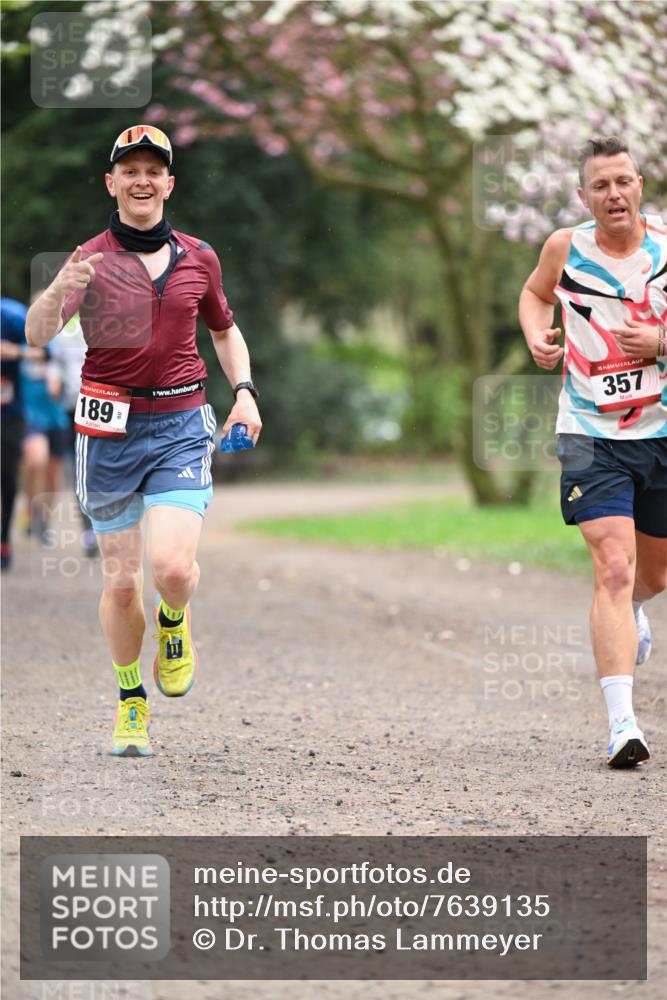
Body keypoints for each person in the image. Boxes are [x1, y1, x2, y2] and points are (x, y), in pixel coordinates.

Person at [26, 124, 262, 757]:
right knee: (124, 583)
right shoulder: (89, 259)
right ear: (112, 183)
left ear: (169, 184)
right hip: (108, 432)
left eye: (153, 170)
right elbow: (37, 334)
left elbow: (224, 330)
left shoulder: (199, 257)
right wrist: (59, 288)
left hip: (181, 424)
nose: (142, 180)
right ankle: (131, 700)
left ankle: (174, 621)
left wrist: (244, 393)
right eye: (129, 170)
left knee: (174, 569)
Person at [519, 135, 666, 769]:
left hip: (661, 432)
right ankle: (622, 725)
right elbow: (534, 293)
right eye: (600, 185)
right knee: (612, 566)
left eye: (623, 181)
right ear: (584, 197)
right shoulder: (565, 248)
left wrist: (660, 345)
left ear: (640, 186)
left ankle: (633, 609)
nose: (614, 194)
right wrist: (536, 334)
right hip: (589, 433)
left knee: (651, 577)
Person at [1, 297, 29, 569]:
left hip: (8, 415)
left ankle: (4, 538)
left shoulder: (12, 315)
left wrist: (15, 352)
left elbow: (46, 351)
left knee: (7, 478)